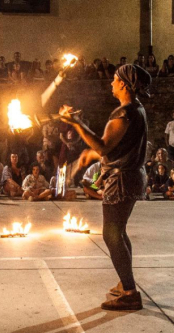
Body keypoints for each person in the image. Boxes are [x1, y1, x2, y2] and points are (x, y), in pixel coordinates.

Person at [59, 64, 149, 311]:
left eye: (114, 79)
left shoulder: (124, 113)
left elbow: (103, 146)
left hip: (122, 180)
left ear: (123, 84)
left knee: (111, 234)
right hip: (128, 176)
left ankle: (130, 293)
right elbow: (118, 149)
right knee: (118, 232)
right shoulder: (136, 109)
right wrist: (96, 156)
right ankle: (125, 283)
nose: (111, 83)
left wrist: (76, 122)